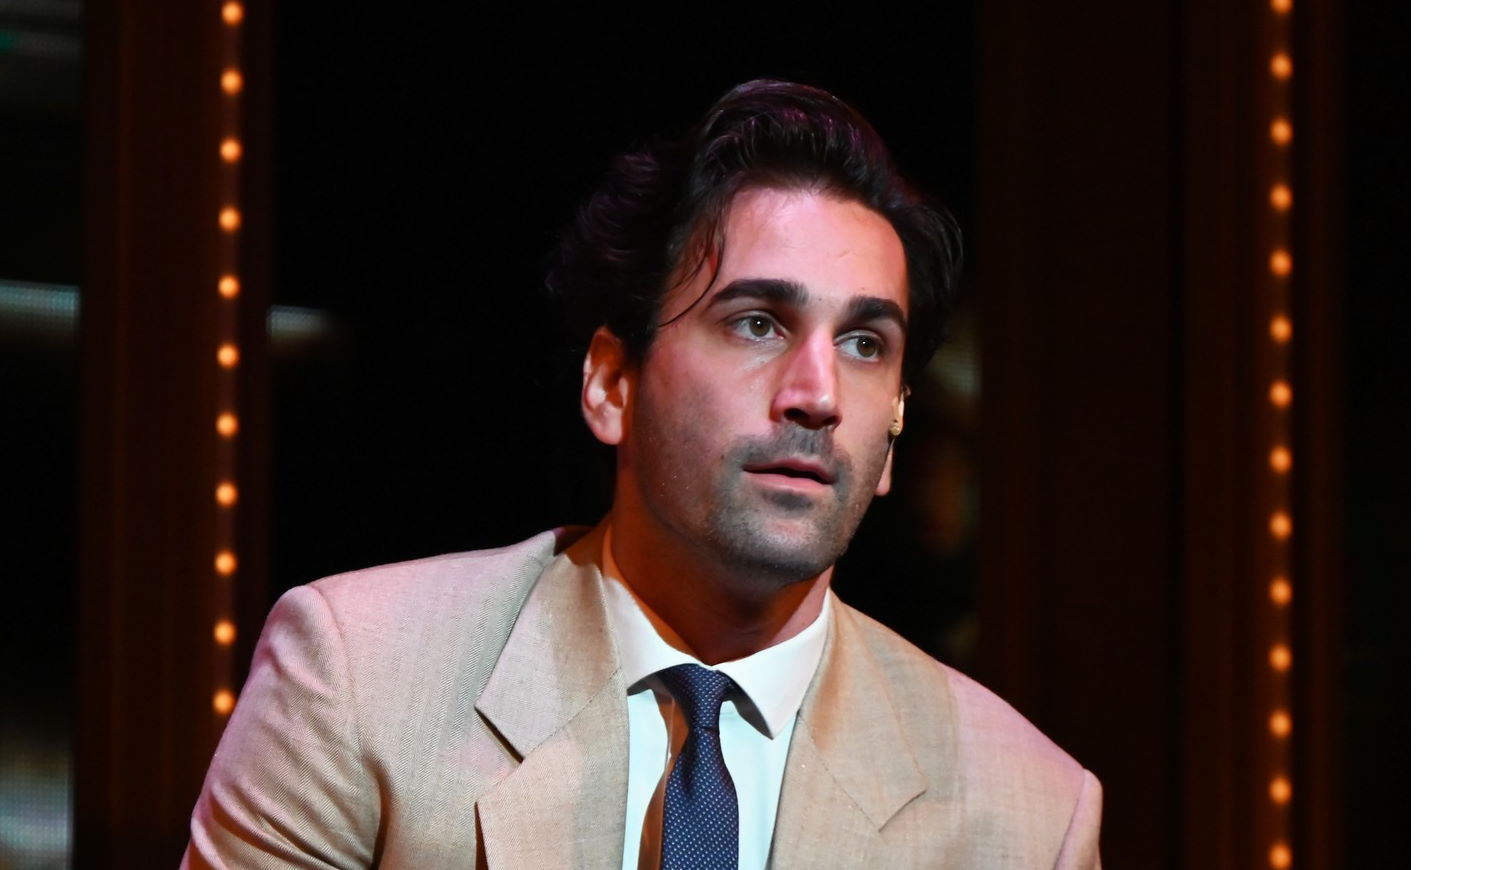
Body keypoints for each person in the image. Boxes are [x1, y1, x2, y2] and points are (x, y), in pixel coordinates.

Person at [183, 79, 1102, 869]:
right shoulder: (361, 680)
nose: (818, 395)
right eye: (757, 324)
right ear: (612, 384)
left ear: (894, 432)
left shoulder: (1029, 813)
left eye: (865, 343)